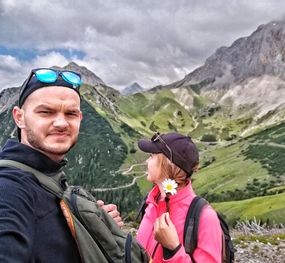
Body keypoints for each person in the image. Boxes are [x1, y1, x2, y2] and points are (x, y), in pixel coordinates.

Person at [0, 68, 123, 262]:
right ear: (19, 118)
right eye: (46, 112)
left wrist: (92, 226)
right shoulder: (9, 189)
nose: (61, 123)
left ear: (80, 118)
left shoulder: (49, 174)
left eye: (71, 114)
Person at [136, 132, 222, 262]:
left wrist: (174, 250)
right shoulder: (151, 202)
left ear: (168, 164)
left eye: (151, 156)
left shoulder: (206, 218)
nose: (146, 161)